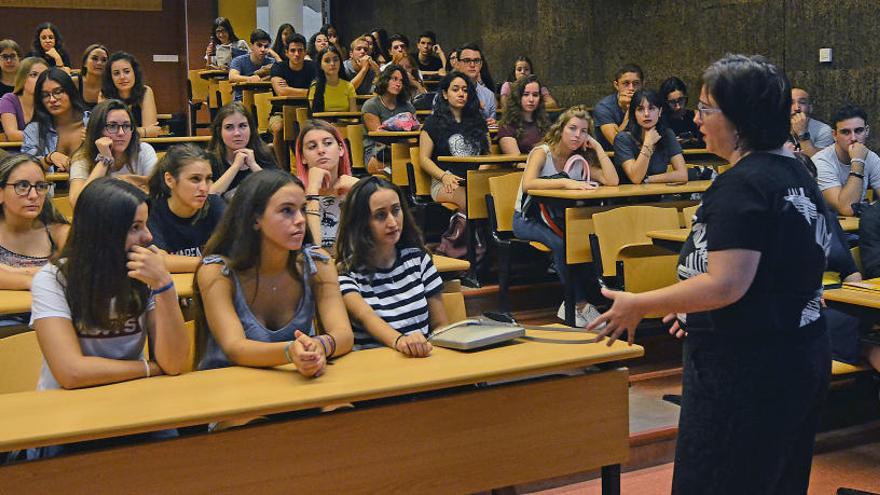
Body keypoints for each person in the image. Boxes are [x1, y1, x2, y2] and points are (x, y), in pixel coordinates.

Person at [588, 54, 832, 495]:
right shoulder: (794, 171)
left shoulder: (744, 183)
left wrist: (638, 304)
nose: (697, 119)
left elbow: (727, 283)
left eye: (706, 108)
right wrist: (692, 309)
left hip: (749, 372)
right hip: (793, 356)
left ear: (740, 118)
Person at [31, 177, 190, 390]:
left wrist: (165, 285)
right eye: (135, 227)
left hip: (133, 394)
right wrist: (148, 369)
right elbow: (71, 373)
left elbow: (174, 364)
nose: (148, 236)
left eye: (146, 225)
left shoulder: (147, 275)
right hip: (68, 404)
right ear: (103, 231)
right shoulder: (53, 278)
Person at [195, 170, 353, 373]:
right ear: (255, 219)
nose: (300, 220)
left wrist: (319, 346)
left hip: (294, 384)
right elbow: (235, 347)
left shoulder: (318, 263)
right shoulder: (217, 271)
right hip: (229, 388)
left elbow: (343, 334)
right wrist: (290, 352)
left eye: (302, 209)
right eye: (287, 210)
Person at [513, 106, 618, 326]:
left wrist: (597, 147)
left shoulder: (580, 158)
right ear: (560, 129)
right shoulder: (542, 152)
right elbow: (529, 184)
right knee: (562, 245)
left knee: (588, 242)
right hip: (527, 219)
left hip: (561, 220)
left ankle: (585, 302)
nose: (577, 135)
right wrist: (566, 182)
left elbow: (612, 180)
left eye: (583, 131)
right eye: (572, 129)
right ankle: (576, 304)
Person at [336, 176, 447, 354]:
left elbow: (440, 326)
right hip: (377, 370)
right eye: (380, 215)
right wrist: (402, 342)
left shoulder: (419, 260)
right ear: (362, 223)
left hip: (421, 361)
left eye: (396, 210)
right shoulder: (348, 273)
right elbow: (366, 317)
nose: (393, 223)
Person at [147, 144, 225, 273]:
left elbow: (238, 255)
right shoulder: (152, 211)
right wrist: (213, 262)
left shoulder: (215, 205)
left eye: (208, 179)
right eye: (195, 179)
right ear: (169, 180)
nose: (204, 188)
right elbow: (156, 261)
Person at [0, 153, 69, 293]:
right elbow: (59, 275)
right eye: (22, 186)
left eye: (40, 186)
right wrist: (33, 280)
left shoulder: (58, 231)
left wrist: (10, 272)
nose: (34, 195)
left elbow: (78, 271)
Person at [68, 99, 158, 206]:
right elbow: (77, 203)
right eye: (112, 126)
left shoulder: (143, 150)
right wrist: (104, 159)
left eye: (126, 126)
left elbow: (156, 193)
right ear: (97, 129)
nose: (121, 133)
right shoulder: (82, 158)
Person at [293, 119, 357, 249]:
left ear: (340, 149)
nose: (321, 150)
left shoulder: (355, 187)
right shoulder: (293, 194)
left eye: (328, 143)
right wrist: (312, 191)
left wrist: (362, 188)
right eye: (312, 147)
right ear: (303, 157)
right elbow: (312, 251)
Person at [813, 104, 880, 216]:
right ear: (834, 135)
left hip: (858, 227)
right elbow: (847, 209)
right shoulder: (821, 161)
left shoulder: (871, 157)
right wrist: (858, 161)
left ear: (867, 131)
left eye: (859, 131)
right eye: (846, 132)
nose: (853, 138)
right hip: (827, 228)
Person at [613, 88, 687, 184]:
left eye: (651, 108)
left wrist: (649, 179)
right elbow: (636, 178)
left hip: (657, 196)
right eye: (640, 109)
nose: (646, 114)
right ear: (634, 113)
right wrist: (648, 143)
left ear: (660, 111)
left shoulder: (667, 134)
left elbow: (683, 175)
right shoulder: (622, 139)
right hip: (628, 198)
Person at [21, 68, 88, 172]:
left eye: (58, 92)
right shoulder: (34, 129)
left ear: (70, 92)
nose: (52, 100)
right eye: (45, 95)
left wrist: (93, 145)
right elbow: (24, 167)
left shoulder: (92, 122)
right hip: (48, 187)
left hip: (90, 186)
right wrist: (49, 159)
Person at [206, 102, 277, 200]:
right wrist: (235, 166)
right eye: (229, 127)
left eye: (242, 126)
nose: (237, 133)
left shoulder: (263, 155)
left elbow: (278, 194)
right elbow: (208, 198)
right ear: (219, 132)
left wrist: (254, 165)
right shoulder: (210, 160)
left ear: (251, 129)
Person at [268, 33, 316, 169]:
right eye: (293, 50)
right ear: (286, 52)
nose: (297, 54)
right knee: (279, 129)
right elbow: (281, 91)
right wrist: (308, 91)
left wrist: (290, 88)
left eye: (300, 50)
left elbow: (318, 91)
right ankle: (283, 170)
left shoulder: (312, 67)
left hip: (307, 113)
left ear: (305, 51)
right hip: (279, 113)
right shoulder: (278, 68)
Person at [362, 64, 417, 175]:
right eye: (394, 79)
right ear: (385, 80)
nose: (398, 84)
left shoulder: (408, 107)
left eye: (401, 81)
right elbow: (380, 136)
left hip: (403, 148)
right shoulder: (371, 105)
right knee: (398, 165)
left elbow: (414, 133)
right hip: (378, 151)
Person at [101, 52, 162, 138]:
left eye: (126, 71)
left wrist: (119, 131)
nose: (122, 77)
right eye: (116, 73)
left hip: (142, 146)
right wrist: (144, 131)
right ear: (110, 78)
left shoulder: (145, 91)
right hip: (113, 147)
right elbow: (105, 132)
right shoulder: (104, 95)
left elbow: (152, 133)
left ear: (135, 73)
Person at [497, 75, 551, 155]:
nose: (531, 99)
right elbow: (516, 161)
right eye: (526, 94)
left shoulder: (544, 123)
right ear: (517, 97)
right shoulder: (507, 127)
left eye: (535, 95)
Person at [594, 63, 643, 149]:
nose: (631, 88)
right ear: (616, 85)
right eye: (626, 83)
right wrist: (630, 110)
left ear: (643, 84)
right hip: (611, 157)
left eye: (636, 83)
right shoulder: (603, 107)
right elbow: (617, 143)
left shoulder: (648, 104)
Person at [0, 57, 47, 142]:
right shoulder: (9, 100)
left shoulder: (50, 100)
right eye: (34, 75)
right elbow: (13, 135)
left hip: (46, 152)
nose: (40, 80)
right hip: (16, 152)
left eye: (44, 75)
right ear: (22, 78)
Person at [228, 29, 276, 102]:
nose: (263, 49)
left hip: (265, 101)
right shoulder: (239, 60)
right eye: (259, 45)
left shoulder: (272, 62)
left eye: (266, 46)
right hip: (241, 101)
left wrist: (275, 55)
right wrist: (250, 79)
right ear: (251, 46)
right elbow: (232, 77)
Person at [308, 45, 356, 113]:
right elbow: (314, 117)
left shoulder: (349, 86)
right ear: (320, 65)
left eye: (335, 60)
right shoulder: (315, 87)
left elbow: (353, 115)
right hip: (322, 123)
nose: (332, 64)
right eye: (327, 61)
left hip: (346, 123)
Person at [659, 76, 703, 148]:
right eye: (672, 102)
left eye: (681, 100)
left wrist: (693, 140)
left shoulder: (696, 116)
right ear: (665, 102)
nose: (678, 106)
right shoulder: (661, 120)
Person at [457, 43, 496, 121]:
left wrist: (491, 123)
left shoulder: (489, 95)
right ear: (458, 64)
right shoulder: (446, 92)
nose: (472, 65)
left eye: (476, 60)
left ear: (481, 64)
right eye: (467, 60)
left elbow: (491, 126)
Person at [791, 87, 834, 157]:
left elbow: (819, 162)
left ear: (810, 108)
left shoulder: (824, 130)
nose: (796, 108)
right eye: (790, 103)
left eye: (802, 102)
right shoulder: (772, 127)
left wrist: (802, 133)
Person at [75, 44, 108, 111]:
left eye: (104, 60)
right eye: (94, 58)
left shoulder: (111, 86)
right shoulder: (74, 83)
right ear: (85, 63)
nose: (99, 63)